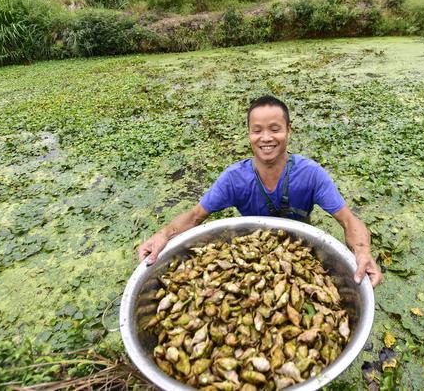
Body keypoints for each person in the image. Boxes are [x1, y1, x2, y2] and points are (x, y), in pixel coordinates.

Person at [138, 96, 383, 287]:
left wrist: (362, 252)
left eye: (275, 129)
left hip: (299, 251)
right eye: (257, 130)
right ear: (249, 134)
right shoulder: (234, 179)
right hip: (251, 256)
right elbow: (194, 217)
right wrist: (163, 234)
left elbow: (349, 221)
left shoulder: (311, 174)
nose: (266, 138)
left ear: (289, 130)